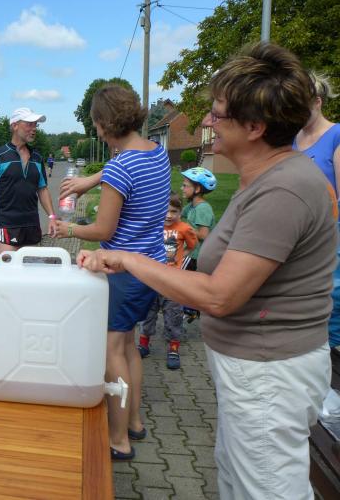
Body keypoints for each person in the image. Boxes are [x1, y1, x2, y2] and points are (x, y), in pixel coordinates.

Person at [78, 42, 335, 499]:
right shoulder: (268, 179)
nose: (208, 123)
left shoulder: (283, 190)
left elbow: (219, 295)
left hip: (268, 376)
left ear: (254, 127)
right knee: (237, 481)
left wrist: (128, 259)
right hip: (254, 372)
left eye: (218, 115)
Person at [51, 85, 171, 461]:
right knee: (129, 346)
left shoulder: (120, 167)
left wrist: (69, 229)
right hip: (152, 267)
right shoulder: (157, 152)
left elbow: (103, 229)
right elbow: (125, 165)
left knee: (111, 352)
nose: (96, 130)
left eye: (96, 123)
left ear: (104, 123)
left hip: (123, 272)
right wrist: (92, 180)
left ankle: (118, 440)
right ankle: (134, 422)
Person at [293, 71, 340, 348]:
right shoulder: (292, 140)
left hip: (329, 237)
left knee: (331, 300)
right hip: (296, 235)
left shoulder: (336, 135)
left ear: (318, 102)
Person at [0, 108, 56, 255]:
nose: (34, 129)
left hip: (32, 226)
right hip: (7, 227)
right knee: (7, 269)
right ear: (14, 125)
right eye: (29, 124)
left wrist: (52, 217)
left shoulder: (37, 157)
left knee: (31, 269)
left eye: (35, 125)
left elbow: (42, 189)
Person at [137, 192, 197, 369]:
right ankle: (143, 344)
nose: (169, 215)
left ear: (180, 212)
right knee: (148, 312)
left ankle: (173, 348)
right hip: (152, 279)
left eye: (174, 211)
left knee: (174, 315)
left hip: (172, 282)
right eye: (165, 210)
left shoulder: (184, 229)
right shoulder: (153, 226)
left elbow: (192, 245)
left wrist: (180, 257)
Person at [180, 167, 216, 271]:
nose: (182, 188)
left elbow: (204, 235)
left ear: (197, 189)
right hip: (189, 251)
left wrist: (184, 228)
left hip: (194, 255)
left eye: (185, 186)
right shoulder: (192, 205)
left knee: (175, 273)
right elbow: (178, 214)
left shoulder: (202, 208)